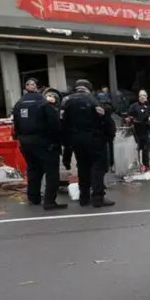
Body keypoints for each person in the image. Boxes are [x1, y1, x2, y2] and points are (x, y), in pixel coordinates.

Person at [12, 78, 65, 210]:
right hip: (44, 143)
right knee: (51, 171)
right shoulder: (44, 103)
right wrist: (58, 142)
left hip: (25, 143)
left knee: (33, 169)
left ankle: (34, 197)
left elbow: (15, 126)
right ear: (38, 88)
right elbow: (55, 125)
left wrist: (21, 138)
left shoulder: (18, 104)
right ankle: (49, 201)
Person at [62, 79, 114, 208]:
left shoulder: (66, 101)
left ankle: (84, 197)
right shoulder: (95, 100)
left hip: (77, 140)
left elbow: (63, 124)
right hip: (95, 139)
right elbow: (107, 119)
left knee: (83, 167)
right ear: (89, 88)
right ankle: (97, 197)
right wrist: (109, 136)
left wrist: (67, 146)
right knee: (98, 168)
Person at [126, 90, 150, 172]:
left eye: (144, 95)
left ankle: (146, 166)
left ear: (146, 97)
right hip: (136, 132)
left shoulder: (149, 106)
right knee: (136, 150)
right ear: (138, 97)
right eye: (141, 95)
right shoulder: (134, 106)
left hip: (146, 131)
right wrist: (131, 120)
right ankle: (137, 166)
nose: (142, 97)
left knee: (146, 150)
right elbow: (128, 117)